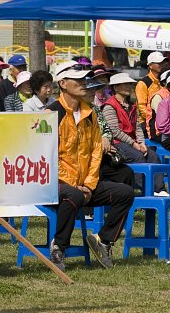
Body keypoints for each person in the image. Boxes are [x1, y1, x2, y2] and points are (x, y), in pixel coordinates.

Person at [46, 61, 134, 271]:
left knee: (125, 192)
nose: (84, 83)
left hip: (85, 183)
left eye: (84, 78)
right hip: (55, 182)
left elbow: (96, 150)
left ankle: (103, 240)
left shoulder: (91, 113)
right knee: (73, 195)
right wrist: (74, 185)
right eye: (78, 79)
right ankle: (59, 246)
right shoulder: (51, 114)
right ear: (63, 83)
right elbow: (47, 155)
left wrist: (88, 183)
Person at [101, 73, 165, 194]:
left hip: (132, 142)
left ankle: (159, 189)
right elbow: (114, 131)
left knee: (152, 155)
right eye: (125, 84)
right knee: (138, 156)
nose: (129, 86)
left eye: (129, 84)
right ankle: (146, 189)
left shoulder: (131, 106)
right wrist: (134, 144)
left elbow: (137, 127)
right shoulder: (109, 106)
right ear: (115, 87)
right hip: (117, 143)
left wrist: (141, 142)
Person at [135, 51, 169, 135]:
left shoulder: (166, 82)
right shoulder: (143, 83)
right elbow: (141, 107)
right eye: (158, 62)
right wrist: (159, 119)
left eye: (163, 62)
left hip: (166, 120)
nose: (162, 64)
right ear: (150, 65)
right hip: (147, 122)